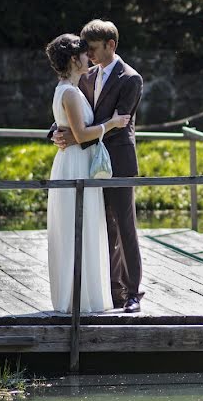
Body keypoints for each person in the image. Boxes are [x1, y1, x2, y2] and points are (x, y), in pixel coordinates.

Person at [52, 19, 145, 313]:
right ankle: (112, 290)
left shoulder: (131, 79)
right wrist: (56, 131)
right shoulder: (86, 76)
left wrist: (76, 138)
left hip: (118, 162)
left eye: (93, 48)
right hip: (89, 163)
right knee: (101, 227)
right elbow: (76, 113)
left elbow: (119, 124)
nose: (88, 54)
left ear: (111, 45)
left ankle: (133, 293)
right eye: (86, 49)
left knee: (125, 227)